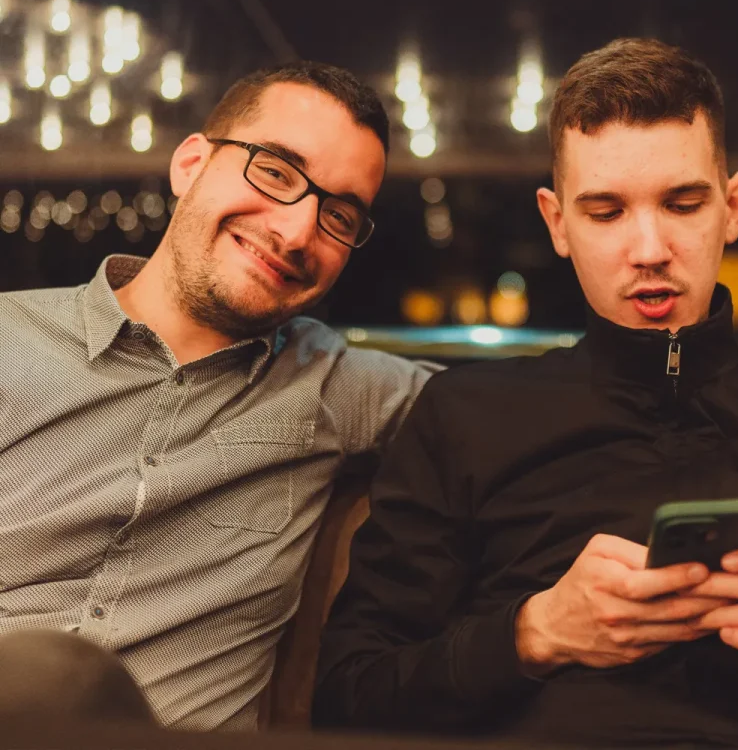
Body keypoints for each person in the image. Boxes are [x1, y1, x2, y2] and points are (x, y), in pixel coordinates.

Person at [314, 39, 738, 749]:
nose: (649, 248)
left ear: (734, 206)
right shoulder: (465, 417)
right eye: (606, 212)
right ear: (557, 222)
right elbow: (348, 697)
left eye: (683, 204)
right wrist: (533, 634)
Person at [0, 62, 437, 730]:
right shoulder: (10, 341)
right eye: (276, 172)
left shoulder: (334, 385)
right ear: (190, 164)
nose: (296, 232)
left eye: (339, 215)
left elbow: (516, 413)